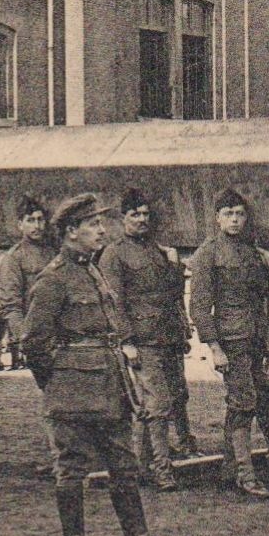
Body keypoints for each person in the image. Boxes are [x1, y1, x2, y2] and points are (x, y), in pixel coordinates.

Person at [22, 193, 182, 536]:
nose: (101, 230)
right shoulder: (54, 279)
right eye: (93, 224)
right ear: (70, 231)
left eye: (102, 223)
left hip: (111, 388)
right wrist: (60, 382)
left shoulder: (93, 269)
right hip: (73, 392)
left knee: (125, 468)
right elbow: (33, 343)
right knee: (72, 470)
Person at [187, 188, 269, 498]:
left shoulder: (251, 252)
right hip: (231, 340)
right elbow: (200, 307)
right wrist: (214, 347)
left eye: (239, 214)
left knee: (257, 397)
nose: (235, 219)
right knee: (243, 401)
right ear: (218, 218)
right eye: (228, 214)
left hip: (257, 337)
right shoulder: (208, 253)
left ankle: (230, 468)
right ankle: (245, 475)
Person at [99, 188, 199, 493]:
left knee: (153, 405)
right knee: (158, 405)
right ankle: (161, 470)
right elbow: (113, 302)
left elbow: (172, 296)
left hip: (166, 337)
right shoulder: (113, 254)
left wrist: (173, 265)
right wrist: (126, 341)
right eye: (135, 215)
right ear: (122, 218)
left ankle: (137, 467)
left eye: (145, 214)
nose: (142, 219)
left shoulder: (157, 251)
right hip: (141, 341)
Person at [0, 196, 56, 373]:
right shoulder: (13, 258)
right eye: (30, 220)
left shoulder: (54, 252)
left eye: (40, 220)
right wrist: (24, 339)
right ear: (20, 224)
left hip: (60, 332)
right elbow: (11, 304)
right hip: (36, 335)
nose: (36, 226)